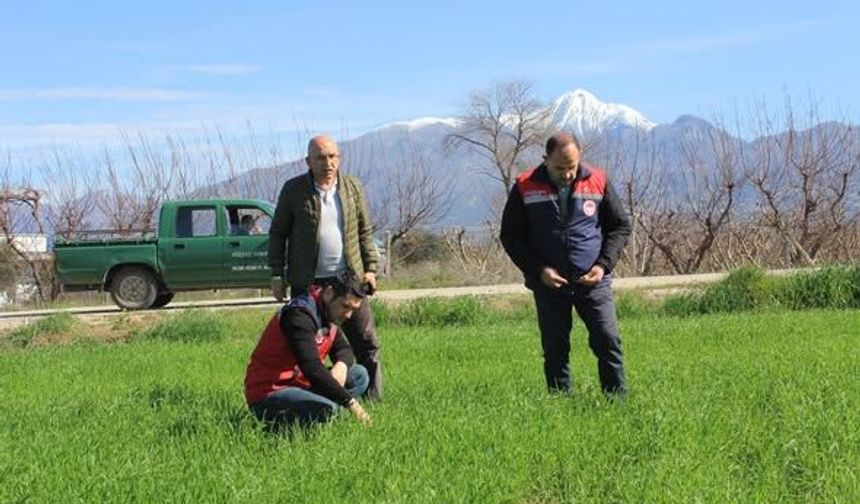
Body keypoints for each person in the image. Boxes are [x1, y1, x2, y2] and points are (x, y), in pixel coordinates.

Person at [500, 132, 632, 397]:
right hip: (550, 284)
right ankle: (560, 402)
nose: (568, 173)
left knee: (608, 340)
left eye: (572, 167)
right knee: (555, 346)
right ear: (545, 160)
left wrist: (603, 265)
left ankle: (616, 400)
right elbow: (511, 236)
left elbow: (620, 226)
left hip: (593, 281)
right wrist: (539, 271)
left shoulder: (598, 180)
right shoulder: (525, 185)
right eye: (560, 168)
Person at [268, 135, 383, 399]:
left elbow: (365, 231)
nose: (328, 163)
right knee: (307, 348)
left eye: (332, 156)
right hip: (308, 282)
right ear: (308, 161)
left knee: (366, 342)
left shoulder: (352, 187)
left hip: (348, 281)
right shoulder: (294, 190)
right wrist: (276, 273)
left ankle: (373, 399)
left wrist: (370, 268)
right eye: (321, 157)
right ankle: (310, 402)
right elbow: (278, 234)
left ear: (339, 158)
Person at [244, 272, 372, 426]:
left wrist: (342, 365)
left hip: (301, 384)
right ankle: (327, 411)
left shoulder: (329, 311)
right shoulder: (299, 315)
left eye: (353, 309)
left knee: (359, 375)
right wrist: (351, 404)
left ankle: (323, 409)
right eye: (345, 306)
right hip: (271, 391)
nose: (349, 315)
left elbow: (343, 350)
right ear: (329, 293)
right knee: (328, 410)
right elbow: (311, 368)